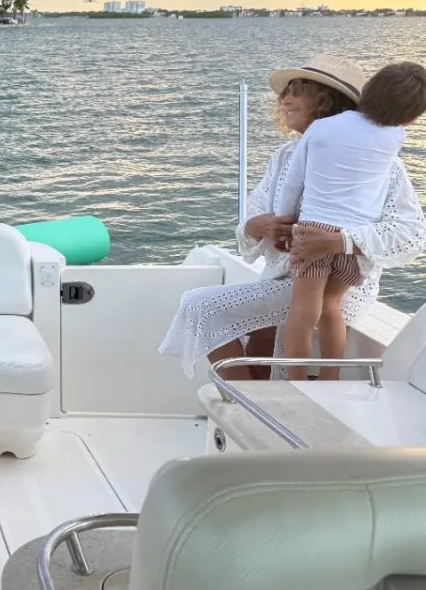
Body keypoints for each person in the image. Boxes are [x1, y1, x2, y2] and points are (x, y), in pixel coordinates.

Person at [160, 56, 426, 380]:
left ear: (328, 100)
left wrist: (340, 240)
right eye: (285, 92)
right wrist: (259, 226)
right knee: (252, 334)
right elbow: (251, 218)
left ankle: (273, 400)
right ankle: (255, 404)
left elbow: (411, 235)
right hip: (284, 275)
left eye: (299, 90)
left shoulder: (387, 166)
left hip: (341, 285)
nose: (285, 99)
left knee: (202, 305)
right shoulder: (283, 155)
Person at [273, 61, 426, 380]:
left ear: (367, 90)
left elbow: (293, 183)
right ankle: (331, 381)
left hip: (314, 232)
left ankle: (296, 384)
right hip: (353, 239)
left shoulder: (321, 129)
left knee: (303, 312)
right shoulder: (395, 137)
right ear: (412, 117)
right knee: (331, 307)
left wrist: (284, 219)